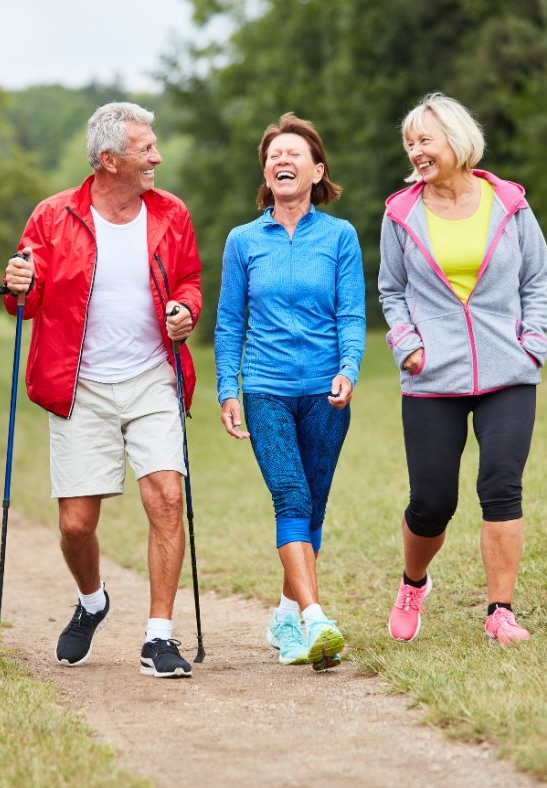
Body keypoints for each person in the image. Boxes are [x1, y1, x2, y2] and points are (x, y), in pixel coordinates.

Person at [1, 102, 202, 678]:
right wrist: (18, 284)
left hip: (152, 376)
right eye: (146, 148)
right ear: (109, 160)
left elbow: (189, 280)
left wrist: (185, 310)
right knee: (76, 525)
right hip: (79, 384)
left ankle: (159, 636)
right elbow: (24, 302)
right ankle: (92, 601)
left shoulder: (171, 213)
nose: (157, 156)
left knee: (167, 496)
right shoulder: (52, 216)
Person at [378, 92, 547, 644]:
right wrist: (407, 343)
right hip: (432, 374)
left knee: (501, 486)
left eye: (424, 140)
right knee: (432, 503)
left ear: (456, 140)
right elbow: (391, 290)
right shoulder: (400, 213)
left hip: (508, 369)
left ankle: (500, 611)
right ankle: (413, 582)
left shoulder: (509, 203)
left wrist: (533, 342)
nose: (415, 151)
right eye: (409, 143)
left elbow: (537, 278)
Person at [214, 113, 366, 670]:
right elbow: (229, 323)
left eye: (293, 153)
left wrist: (349, 368)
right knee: (291, 497)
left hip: (327, 392)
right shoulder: (243, 241)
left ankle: (284, 615)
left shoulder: (340, 237)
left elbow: (351, 314)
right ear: (265, 173)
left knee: (313, 507)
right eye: (273, 155)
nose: (282, 160)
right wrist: (227, 388)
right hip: (266, 389)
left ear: (317, 171)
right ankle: (316, 618)